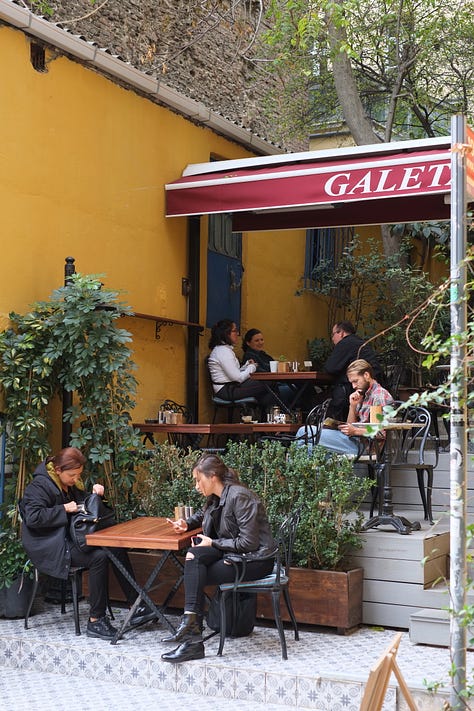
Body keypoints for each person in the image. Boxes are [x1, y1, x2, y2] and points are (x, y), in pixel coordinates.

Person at [19, 447, 154, 640]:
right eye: (72, 475)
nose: (75, 479)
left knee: (114, 544)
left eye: (78, 475)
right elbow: (33, 517)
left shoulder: (69, 484)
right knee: (98, 557)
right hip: (49, 546)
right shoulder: (39, 486)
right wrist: (63, 508)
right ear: (57, 470)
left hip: (70, 539)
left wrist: (96, 495)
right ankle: (96, 621)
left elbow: (85, 506)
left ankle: (136, 605)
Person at [160, 452, 276, 663]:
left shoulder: (239, 496)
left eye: (198, 480)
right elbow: (207, 515)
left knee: (194, 570)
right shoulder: (217, 497)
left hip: (255, 560)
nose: (196, 486)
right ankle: (192, 628)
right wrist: (187, 523)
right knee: (194, 556)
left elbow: (248, 543)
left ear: (212, 476)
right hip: (233, 552)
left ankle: (192, 634)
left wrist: (213, 543)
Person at [316, 359, 393, 456]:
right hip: (355, 441)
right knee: (307, 446)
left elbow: (380, 432)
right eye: (351, 382)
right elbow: (350, 425)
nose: (353, 386)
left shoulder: (378, 395)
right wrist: (352, 406)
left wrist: (355, 431)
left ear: (366, 375)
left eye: (355, 381)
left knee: (304, 432)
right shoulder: (363, 395)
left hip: (367, 447)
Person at [324, 321, 384, 421]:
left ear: (341, 333)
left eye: (333, 334)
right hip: (377, 381)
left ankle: (329, 425)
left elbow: (330, 368)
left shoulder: (345, 343)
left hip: (362, 386)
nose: (332, 338)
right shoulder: (360, 342)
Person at [207, 319, 274, 407]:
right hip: (227, 391)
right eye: (235, 331)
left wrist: (246, 366)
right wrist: (252, 368)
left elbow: (233, 372)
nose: (238, 334)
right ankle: (272, 414)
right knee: (269, 382)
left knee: (268, 386)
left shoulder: (224, 350)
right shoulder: (223, 352)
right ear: (226, 333)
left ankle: (267, 415)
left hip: (230, 387)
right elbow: (238, 378)